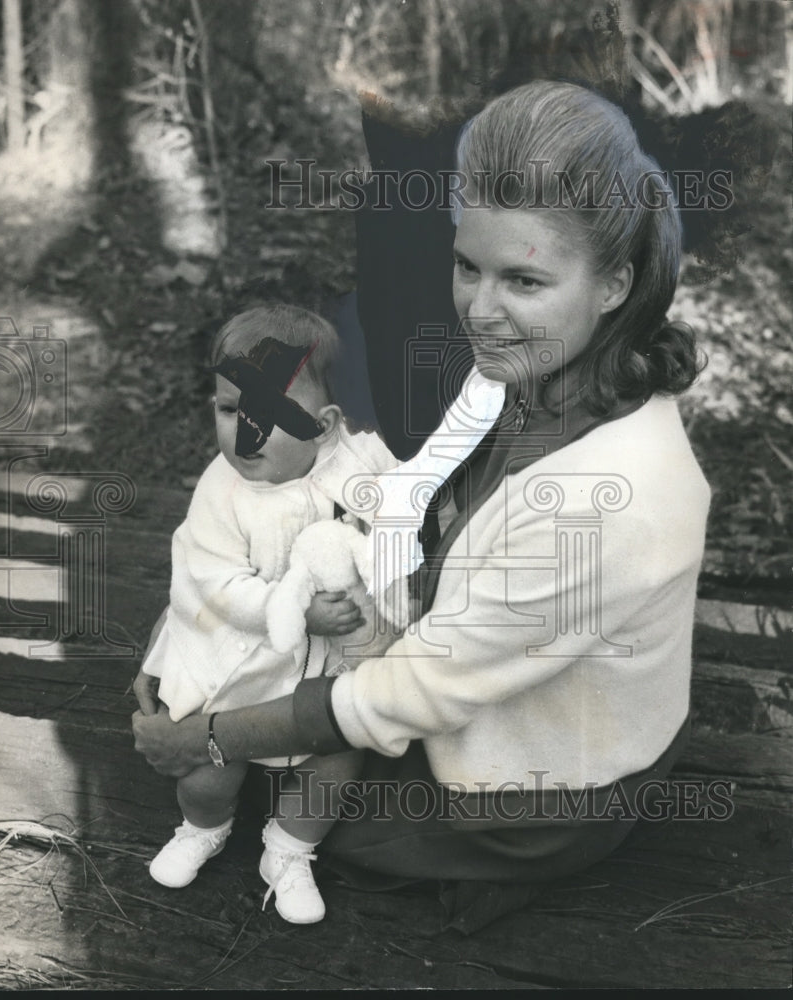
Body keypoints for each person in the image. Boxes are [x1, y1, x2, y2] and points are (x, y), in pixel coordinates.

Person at [133, 80, 710, 910]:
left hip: (544, 785)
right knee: (251, 724)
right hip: (466, 672)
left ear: (615, 284)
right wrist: (186, 639)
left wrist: (207, 731)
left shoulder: (607, 501)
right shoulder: (529, 374)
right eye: (467, 266)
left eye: (525, 281)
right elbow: (398, 502)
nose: (481, 310)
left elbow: (411, 692)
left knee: (278, 793)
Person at [133, 303, 396, 924]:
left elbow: (396, 503)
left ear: (324, 424)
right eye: (230, 410)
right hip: (239, 654)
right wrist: (296, 613)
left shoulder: (358, 465)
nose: (243, 433)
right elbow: (216, 583)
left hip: (321, 664)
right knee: (206, 771)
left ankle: (289, 850)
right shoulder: (221, 494)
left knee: (336, 761)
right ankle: (204, 825)